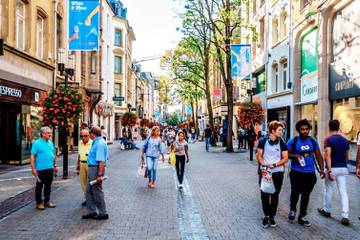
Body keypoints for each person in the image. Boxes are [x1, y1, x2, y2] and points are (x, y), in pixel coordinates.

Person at [287, 119, 325, 227]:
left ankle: (302, 216)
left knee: (306, 195)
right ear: (298, 130)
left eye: (307, 129)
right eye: (302, 129)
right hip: (296, 172)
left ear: (309, 130)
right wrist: (295, 156)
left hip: (310, 173)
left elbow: (318, 156)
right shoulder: (293, 141)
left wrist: (322, 169)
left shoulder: (313, 141)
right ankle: (292, 209)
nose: (305, 131)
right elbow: (285, 154)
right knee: (295, 193)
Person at [256, 121, 288, 228]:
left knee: (275, 196)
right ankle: (266, 216)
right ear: (273, 131)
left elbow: (285, 158)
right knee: (264, 195)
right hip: (265, 173)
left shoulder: (282, 142)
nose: (281, 132)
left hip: (277, 173)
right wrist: (264, 165)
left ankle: (272, 217)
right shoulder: (263, 141)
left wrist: (275, 165)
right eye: (279, 130)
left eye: (281, 130)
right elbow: (259, 155)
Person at [318, 120, 350, 226]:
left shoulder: (329, 140)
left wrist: (330, 170)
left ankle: (327, 210)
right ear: (339, 127)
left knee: (328, 189)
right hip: (343, 167)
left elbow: (327, 155)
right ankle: (345, 215)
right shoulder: (345, 140)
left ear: (329, 127)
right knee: (343, 191)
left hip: (333, 168)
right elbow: (347, 156)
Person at [82, 126, 109, 220]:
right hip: (92, 168)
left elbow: (101, 161)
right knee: (89, 191)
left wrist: (99, 175)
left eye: (90, 133)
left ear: (93, 133)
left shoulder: (100, 143)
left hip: (96, 169)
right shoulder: (96, 142)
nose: (89, 135)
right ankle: (91, 211)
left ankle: (103, 213)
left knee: (97, 191)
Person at [30, 126, 57, 210]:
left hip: (50, 168)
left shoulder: (50, 143)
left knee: (48, 185)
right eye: (48, 133)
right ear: (43, 134)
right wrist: (33, 169)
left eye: (50, 132)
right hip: (40, 169)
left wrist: (55, 166)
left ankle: (47, 201)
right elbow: (32, 156)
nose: (50, 134)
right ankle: (39, 203)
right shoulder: (37, 143)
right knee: (39, 186)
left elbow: (53, 155)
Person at [77, 129, 92, 206]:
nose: (83, 137)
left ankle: (91, 199)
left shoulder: (92, 143)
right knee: (83, 183)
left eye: (85, 136)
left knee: (90, 182)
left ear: (88, 135)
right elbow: (79, 154)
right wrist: (77, 164)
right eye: (81, 136)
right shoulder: (80, 143)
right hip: (82, 163)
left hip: (89, 164)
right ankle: (87, 198)